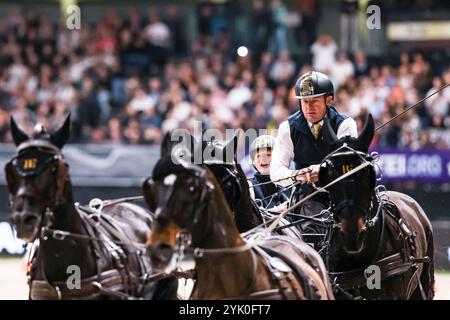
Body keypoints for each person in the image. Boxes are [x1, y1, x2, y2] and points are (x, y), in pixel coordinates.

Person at [270, 71, 358, 233]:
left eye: (314, 101)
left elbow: (349, 167)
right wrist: (297, 175)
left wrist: (324, 171)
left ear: (329, 100)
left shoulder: (345, 125)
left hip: (343, 196)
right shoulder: (287, 128)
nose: (308, 108)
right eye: (304, 102)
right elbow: (275, 172)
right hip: (307, 197)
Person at [248, 135, 288, 213]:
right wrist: (274, 211)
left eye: (268, 155)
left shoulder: (288, 186)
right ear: (253, 162)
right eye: (258, 156)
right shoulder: (249, 187)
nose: (263, 159)